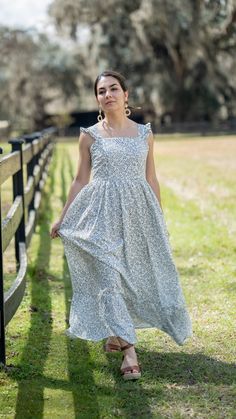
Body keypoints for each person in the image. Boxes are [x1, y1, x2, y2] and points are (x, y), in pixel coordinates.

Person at [50, 70, 192, 380]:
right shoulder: (89, 134)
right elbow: (80, 180)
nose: (108, 94)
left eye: (114, 89)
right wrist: (63, 217)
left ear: (126, 95)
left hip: (137, 212)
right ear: (98, 99)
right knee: (107, 276)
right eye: (102, 91)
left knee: (130, 274)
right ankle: (129, 351)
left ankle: (115, 334)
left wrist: (158, 217)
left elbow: (151, 178)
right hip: (99, 214)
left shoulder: (144, 133)